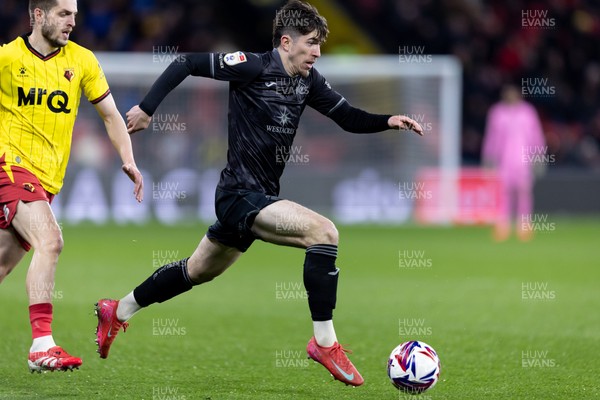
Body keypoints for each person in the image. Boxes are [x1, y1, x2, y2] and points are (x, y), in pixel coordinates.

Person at [95, 0, 421, 387]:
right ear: (287, 41)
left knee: (196, 271)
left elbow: (346, 117)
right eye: (311, 43)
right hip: (237, 194)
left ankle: (118, 310)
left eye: (319, 45)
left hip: (258, 196)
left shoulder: (308, 81)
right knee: (325, 233)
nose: (317, 52)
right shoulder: (251, 65)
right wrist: (147, 109)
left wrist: (388, 121)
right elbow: (186, 62)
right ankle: (324, 343)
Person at [0, 0, 144, 372]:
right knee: (51, 241)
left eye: (75, 15)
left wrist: (128, 158)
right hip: (10, 168)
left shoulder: (82, 61)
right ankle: (41, 346)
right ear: (39, 14)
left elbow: (111, 114)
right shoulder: (7, 58)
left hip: (47, 182)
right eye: (64, 14)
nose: (72, 22)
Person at [482, 83, 545, 241]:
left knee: (524, 192)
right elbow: (491, 137)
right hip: (503, 160)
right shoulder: (497, 112)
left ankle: (524, 226)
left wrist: (538, 156)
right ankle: (502, 225)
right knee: (503, 192)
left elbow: (536, 136)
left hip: (523, 160)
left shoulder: (528, 112)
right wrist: (488, 157)